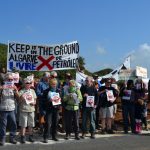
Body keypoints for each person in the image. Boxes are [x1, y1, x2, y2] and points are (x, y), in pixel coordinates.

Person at [0, 72, 19, 146]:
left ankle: (12, 138)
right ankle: (2, 139)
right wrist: (1, 89)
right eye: (9, 79)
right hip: (3, 109)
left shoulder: (14, 87)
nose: (10, 81)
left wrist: (15, 91)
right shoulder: (1, 87)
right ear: (5, 79)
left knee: (13, 124)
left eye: (12, 79)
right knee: (3, 125)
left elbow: (18, 99)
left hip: (12, 108)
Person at [18, 78, 37, 143]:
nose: (28, 84)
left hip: (31, 109)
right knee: (23, 124)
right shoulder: (21, 91)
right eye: (27, 83)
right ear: (24, 84)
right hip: (24, 109)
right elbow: (18, 101)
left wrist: (34, 102)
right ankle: (22, 137)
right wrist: (21, 97)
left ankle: (30, 136)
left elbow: (35, 100)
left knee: (31, 124)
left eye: (30, 83)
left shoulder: (32, 91)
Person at [43, 78, 61, 143]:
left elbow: (60, 101)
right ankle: (45, 137)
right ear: (50, 84)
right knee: (47, 123)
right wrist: (49, 100)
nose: (54, 85)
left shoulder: (58, 91)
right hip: (49, 109)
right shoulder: (46, 91)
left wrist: (60, 100)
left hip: (56, 109)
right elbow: (43, 101)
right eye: (53, 84)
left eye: (55, 84)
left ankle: (54, 136)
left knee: (55, 123)